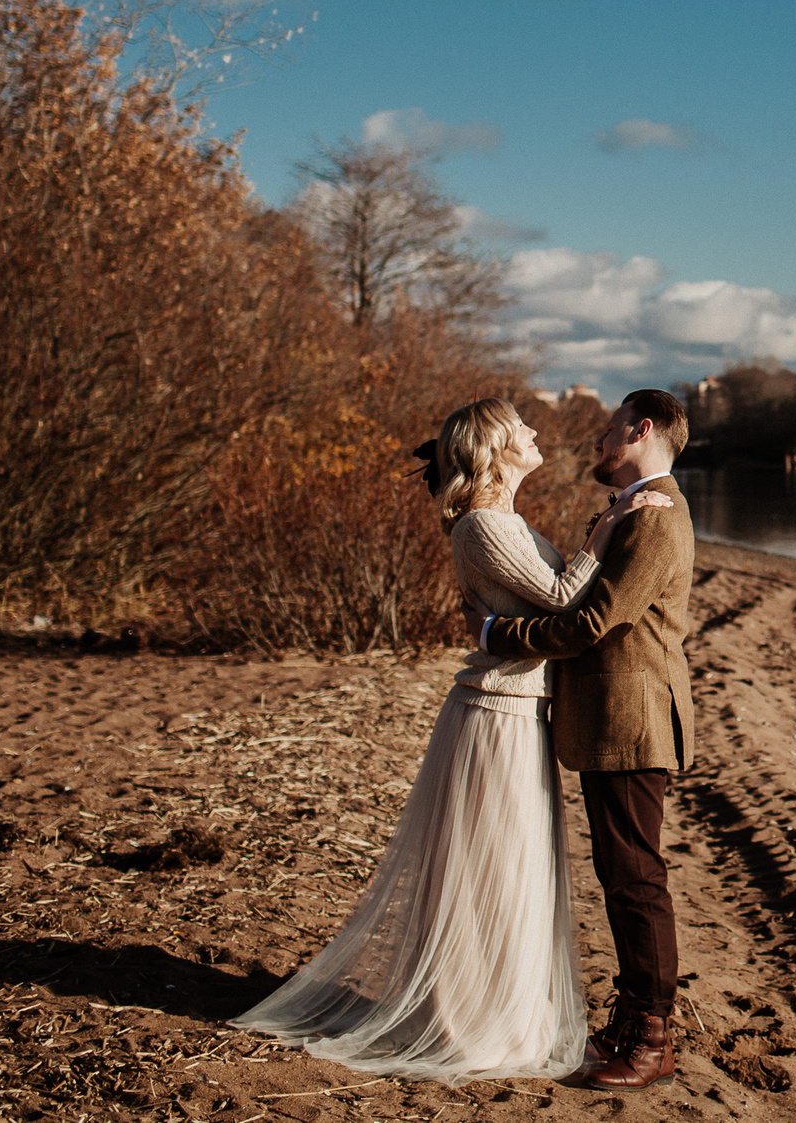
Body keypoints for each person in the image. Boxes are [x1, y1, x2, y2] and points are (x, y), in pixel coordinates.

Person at [232, 398, 664, 1082]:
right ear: (494, 446)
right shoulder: (483, 526)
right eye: (522, 426)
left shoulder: (505, 520)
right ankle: (473, 1021)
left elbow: (551, 597)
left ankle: (501, 1014)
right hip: (495, 715)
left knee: (512, 868)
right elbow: (560, 597)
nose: (535, 431)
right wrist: (610, 524)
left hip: (519, 712)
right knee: (491, 868)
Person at [475, 387, 697, 1092]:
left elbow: (591, 622)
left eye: (608, 429)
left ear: (642, 428)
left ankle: (651, 1039)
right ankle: (633, 1022)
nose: (598, 441)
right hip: (614, 719)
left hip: (633, 720)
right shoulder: (635, 510)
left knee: (636, 879)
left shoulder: (656, 518)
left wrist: (495, 634)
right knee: (623, 874)